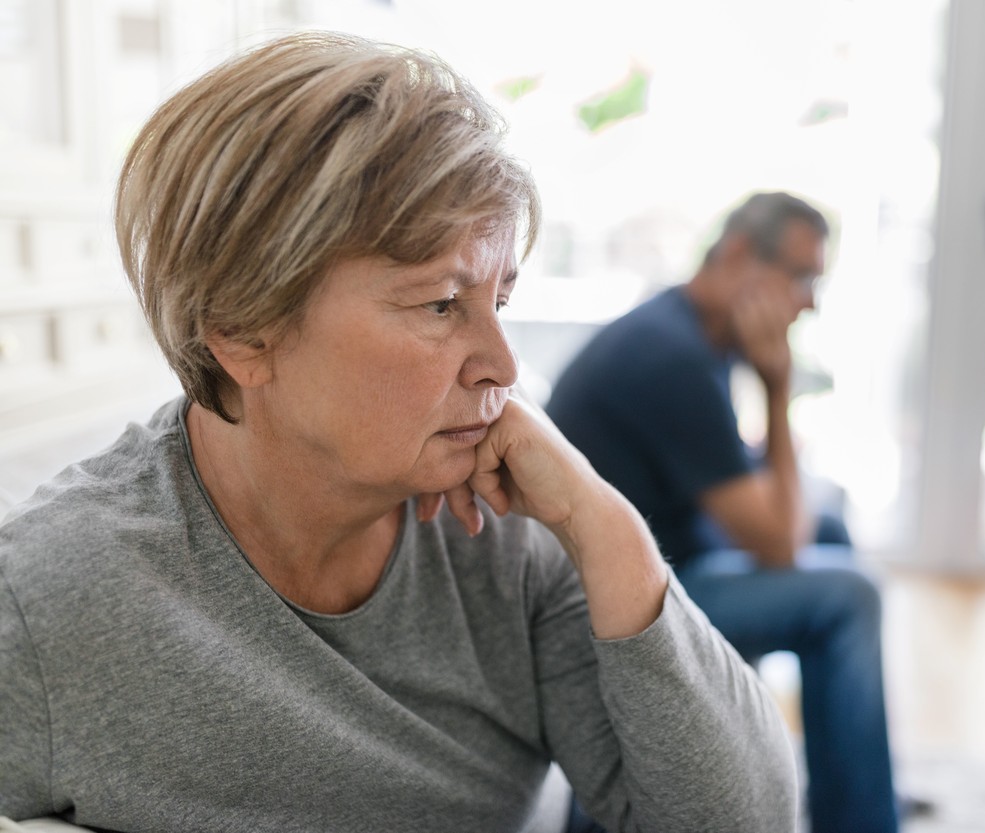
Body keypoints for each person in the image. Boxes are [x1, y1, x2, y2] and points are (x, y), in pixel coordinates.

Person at [0, 33, 799, 833]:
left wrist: (603, 522)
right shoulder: (51, 599)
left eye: (500, 300)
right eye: (441, 305)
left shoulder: (508, 537)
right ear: (243, 331)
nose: (503, 365)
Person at [546, 192, 901, 833]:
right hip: (619, 603)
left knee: (832, 524)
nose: (810, 301)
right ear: (738, 254)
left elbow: (744, 489)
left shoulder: (685, 329)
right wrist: (778, 386)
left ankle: (845, 789)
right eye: (801, 276)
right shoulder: (671, 359)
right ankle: (862, 821)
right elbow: (778, 549)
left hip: (660, 557)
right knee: (852, 596)